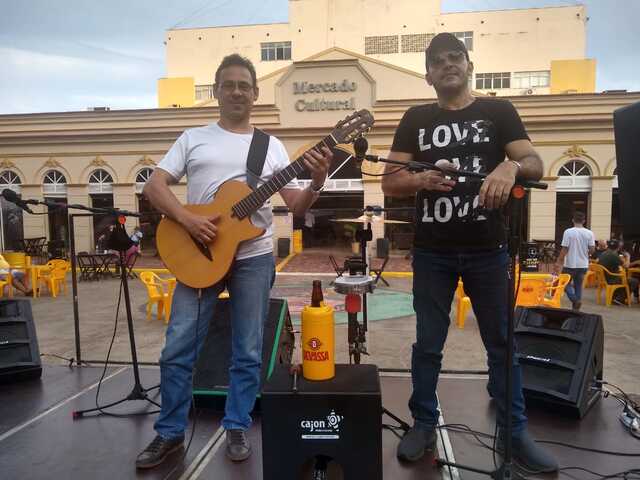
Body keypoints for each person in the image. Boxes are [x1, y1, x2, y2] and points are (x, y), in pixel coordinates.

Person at [136, 53, 331, 469]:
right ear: (217, 92)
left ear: (256, 93)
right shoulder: (193, 137)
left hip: (254, 259)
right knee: (178, 348)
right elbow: (155, 186)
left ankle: (237, 423)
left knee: (247, 351)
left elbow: (295, 206)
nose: (238, 91)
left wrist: (316, 180)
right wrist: (188, 220)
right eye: (230, 84)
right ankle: (169, 434)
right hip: (198, 255)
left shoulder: (272, 146)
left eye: (245, 85)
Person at [381, 33, 557, 472]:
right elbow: (389, 180)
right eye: (437, 61)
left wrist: (510, 164)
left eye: (454, 57)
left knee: (501, 344)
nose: (447, 65)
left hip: (488, 250)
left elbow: (534, 163)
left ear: (469, 65)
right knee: (429, 345)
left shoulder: (498, 111)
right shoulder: (415, 117)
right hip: (433, 252)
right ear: (428, 75)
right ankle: (422, 423)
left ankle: (515, 432)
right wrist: (418, 181)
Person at [553, 212, 595, 310]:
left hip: (570, 264)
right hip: (583, 264)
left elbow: (565, 249)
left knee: (564, 283)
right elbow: (592, 249)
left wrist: (559, 261)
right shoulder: (589, 233)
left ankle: (575, 300)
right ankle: (576, 308)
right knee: (578, 285)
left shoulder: (568, 232)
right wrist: (587, 254)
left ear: (573, 220)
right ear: (584, 221)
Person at [598, 239, 639, 304]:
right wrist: (628, 256)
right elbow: (626, 266)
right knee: (634, 281)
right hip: (612, 278)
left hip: (605, 278)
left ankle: (615, 296)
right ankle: (620, 299)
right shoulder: (614, 255)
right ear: (618, 247)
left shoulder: (604, 253)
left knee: (626, 279)